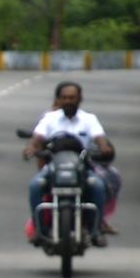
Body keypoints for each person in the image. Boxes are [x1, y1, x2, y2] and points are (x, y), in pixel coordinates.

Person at [23, 81, 114, 246]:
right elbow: (37, 138)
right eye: (64, 97)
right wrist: (31, 148)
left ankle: (96, 229)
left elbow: (100, 139)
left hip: (82, 167)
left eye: (72, 97)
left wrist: (104, 148)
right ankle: (39, 229)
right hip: (54, 168)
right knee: (35, 185)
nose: (68, 101)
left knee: (98, 186)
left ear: (80, 99)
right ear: (58, 99)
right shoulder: (50, 119)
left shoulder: (89, 119)